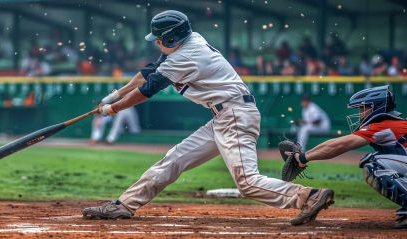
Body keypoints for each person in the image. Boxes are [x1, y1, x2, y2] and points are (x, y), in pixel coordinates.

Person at [82, 10, 334, 226]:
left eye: (159, 39)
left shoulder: (184, 57)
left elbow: (148, 89)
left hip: (235, 116)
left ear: (171, 38)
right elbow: (148, 72)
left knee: (247, 182)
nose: (157, 43)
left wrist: (112, 110)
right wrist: (114, 95)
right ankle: (124, 204)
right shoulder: (188, 40)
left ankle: (308, 196)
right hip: (224, 117)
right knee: (174, 160)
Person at [284, 85, 407, 228]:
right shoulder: (390, 124)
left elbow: (338, 146)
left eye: (363, 108)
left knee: (373, 164)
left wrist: (303, 157)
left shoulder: (382, 125)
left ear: (376, 107)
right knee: (380, 160)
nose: (360, 113)